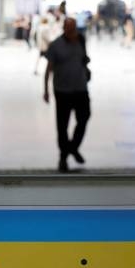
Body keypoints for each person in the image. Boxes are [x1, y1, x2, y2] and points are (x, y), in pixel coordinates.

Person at [43, 17, 91, 172]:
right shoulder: (56, 45)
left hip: (81, 88)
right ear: (64, 28)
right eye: (69, 29)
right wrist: (46, 90)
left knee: (84, 118)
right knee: (62, 126)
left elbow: (84, 59)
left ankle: (73, 147)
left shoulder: (81, 41)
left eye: (74, 28)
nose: (72, 32)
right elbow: (48, 69)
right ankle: (64, 156)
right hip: (62, 91)